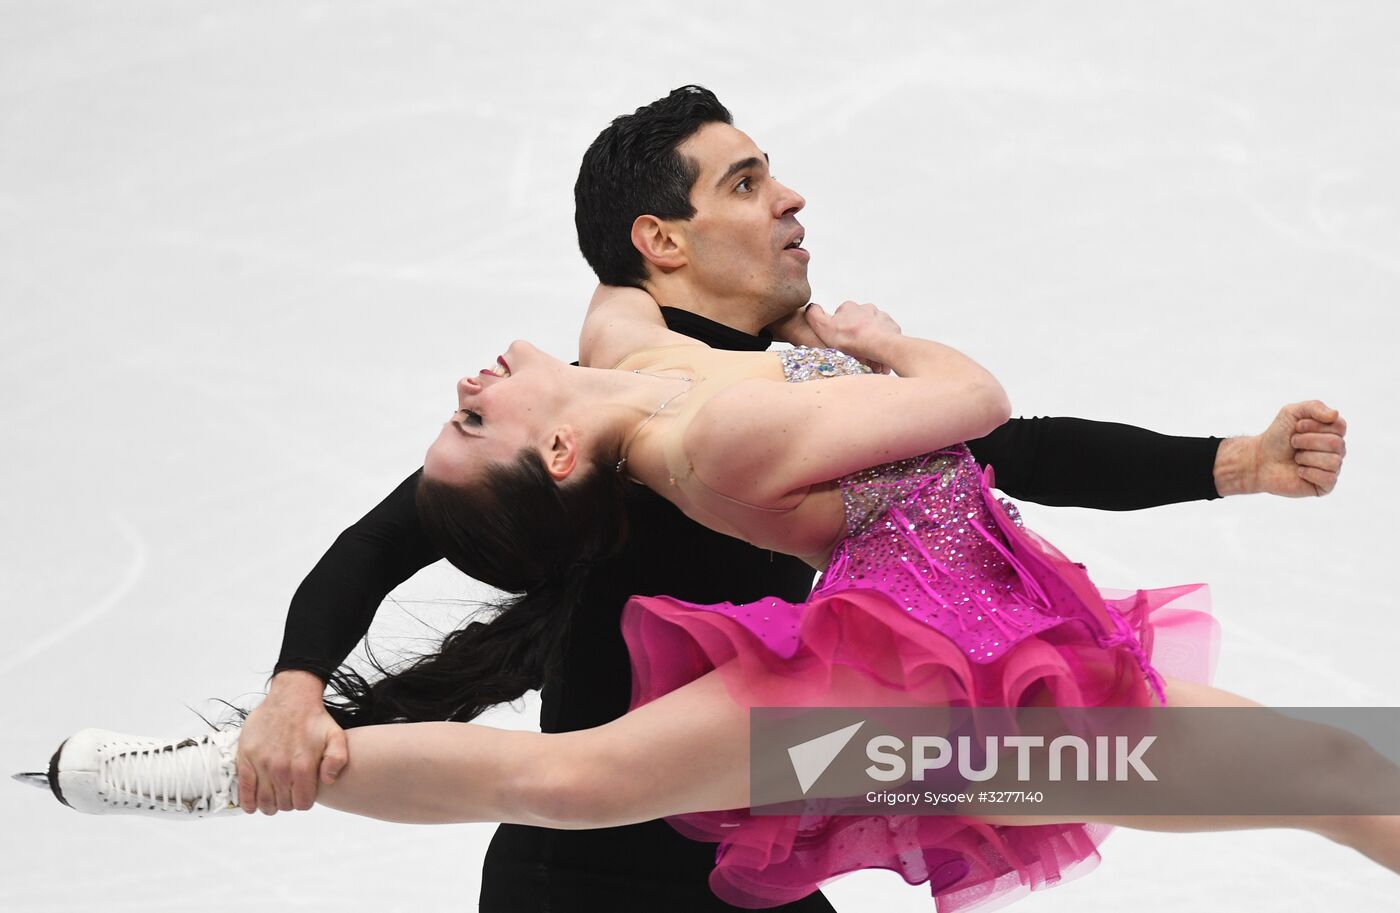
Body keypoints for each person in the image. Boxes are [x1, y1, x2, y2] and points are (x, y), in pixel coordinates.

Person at [45, 85, 1351, 913]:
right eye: (745, 183)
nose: (790, 200)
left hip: (806, 783)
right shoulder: (622, 401)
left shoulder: (729, 363)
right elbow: (386, 539)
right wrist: (291, 686)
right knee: (560, 781)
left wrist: (1230, 460)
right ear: (662, 241)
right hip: (611, 870)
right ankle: (243, 774)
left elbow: (991, 451)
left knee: (1322, 768)